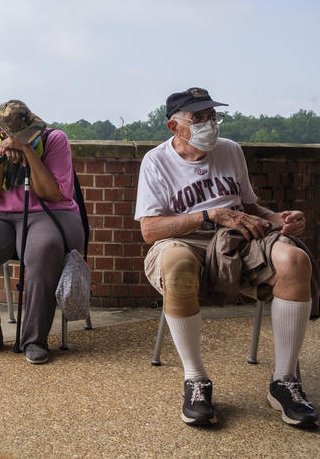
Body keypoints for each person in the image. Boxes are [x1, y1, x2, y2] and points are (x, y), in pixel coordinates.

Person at [135, 87, 318, 427]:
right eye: (198, 118)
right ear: (174, 127)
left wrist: (279, 218)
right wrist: (209, 216)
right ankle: (196, 381)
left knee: (295, 262)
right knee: (176, 266)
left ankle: (284, 382)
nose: (210, 124)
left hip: (238, 234)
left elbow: (250, 207)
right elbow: (150, 230)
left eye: (212, 116)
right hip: (184, 239)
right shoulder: (156, 161)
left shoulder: (231, 150)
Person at [0, 100, 84, 364]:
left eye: (26, 135)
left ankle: (34, 339)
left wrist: (29, 153)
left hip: (49, 212)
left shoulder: (55, 139)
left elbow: (53, 193)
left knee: (44, 247)